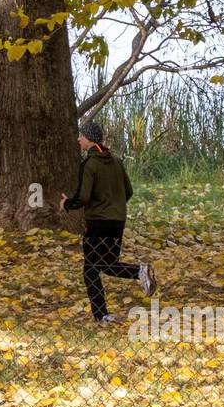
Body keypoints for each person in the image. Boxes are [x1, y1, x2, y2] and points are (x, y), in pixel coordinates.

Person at [59, 121, 156, 323]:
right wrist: (115, 206)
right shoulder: (116, 161)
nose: (78, 139)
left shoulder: (89, 164)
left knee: (90, 270)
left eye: (81, 136)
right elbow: (128, 191)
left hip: (98, 223)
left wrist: (67, 203)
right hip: (117, 221)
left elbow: (83, 197)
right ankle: (140, 271)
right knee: (108, 264)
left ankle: (101, 315)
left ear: (89, 139)